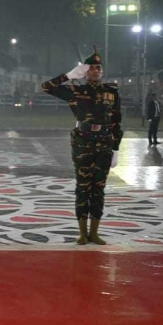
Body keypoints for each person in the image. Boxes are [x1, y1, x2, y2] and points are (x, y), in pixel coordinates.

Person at [41, 47, 123, 245]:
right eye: (92, 68)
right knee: (82, 187)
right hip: (82, 143)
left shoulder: (110, 93)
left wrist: (116, 148)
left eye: (98, 68)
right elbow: (46, 87)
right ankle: (82, 233)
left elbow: (116, 122)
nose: (96, 71)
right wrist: (69, 75)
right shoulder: (76, 91)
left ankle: (94, 232)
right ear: (85, 72)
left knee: (99, 188)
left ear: (102, 71)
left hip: (104, 143)